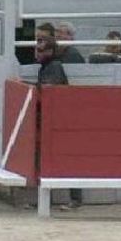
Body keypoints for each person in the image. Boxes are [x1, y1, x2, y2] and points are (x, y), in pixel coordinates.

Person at [35, 36, 81, 210]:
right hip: (55, 121)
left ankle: (75, 199)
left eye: (40, 50)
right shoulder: (48, 66)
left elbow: (48, 91)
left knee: (67, 160)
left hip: (61, 122)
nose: (36, 53)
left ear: (50, 52)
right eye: (36, 49)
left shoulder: (53, 67)